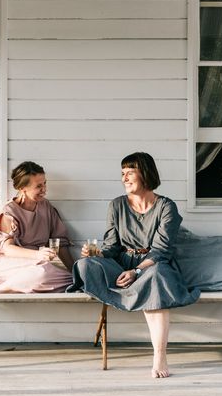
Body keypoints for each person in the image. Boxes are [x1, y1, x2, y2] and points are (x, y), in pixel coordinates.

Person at [69, 151, 200, 379]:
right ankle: (129, 291)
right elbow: (111, 247)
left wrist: (137, 271)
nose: (125, 178)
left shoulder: (166, 207)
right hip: (121, 266)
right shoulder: (116, 205)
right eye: (122, 173)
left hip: (153, 265)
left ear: (145, 174)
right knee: (85, 265)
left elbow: (162, 250)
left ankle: (159, 354)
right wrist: (98, 253)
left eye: (130, 172)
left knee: (156, 277)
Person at [0, 161, 73, 293]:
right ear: (22, 188)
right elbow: (8, 249)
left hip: (36, 265)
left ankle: (0, 289)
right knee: (42, 273)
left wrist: (75, 271)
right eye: (38, 186)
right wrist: (38, 255)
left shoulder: (46, 207)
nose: (44, 189)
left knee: (71, 279)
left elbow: (60, 243)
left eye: (45, 183)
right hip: (7, 265)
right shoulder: (9, 211)